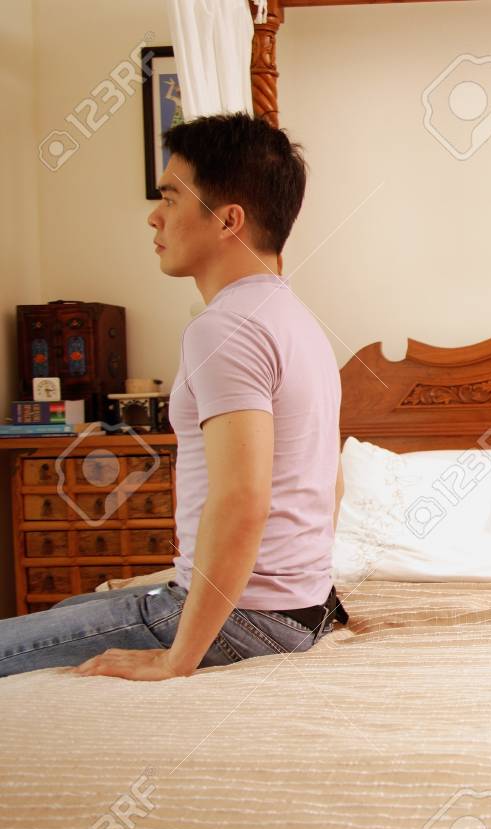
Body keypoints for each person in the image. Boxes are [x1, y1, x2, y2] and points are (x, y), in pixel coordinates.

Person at [0, 113, 344, 679]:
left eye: (169, 198)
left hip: (248, 617)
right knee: (66, 611)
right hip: (305, 609)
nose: (154, 216)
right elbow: (333, 480)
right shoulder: (298, 322)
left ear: (228, 220)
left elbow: (242, 500)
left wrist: (176, 659)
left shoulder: (225, 328)